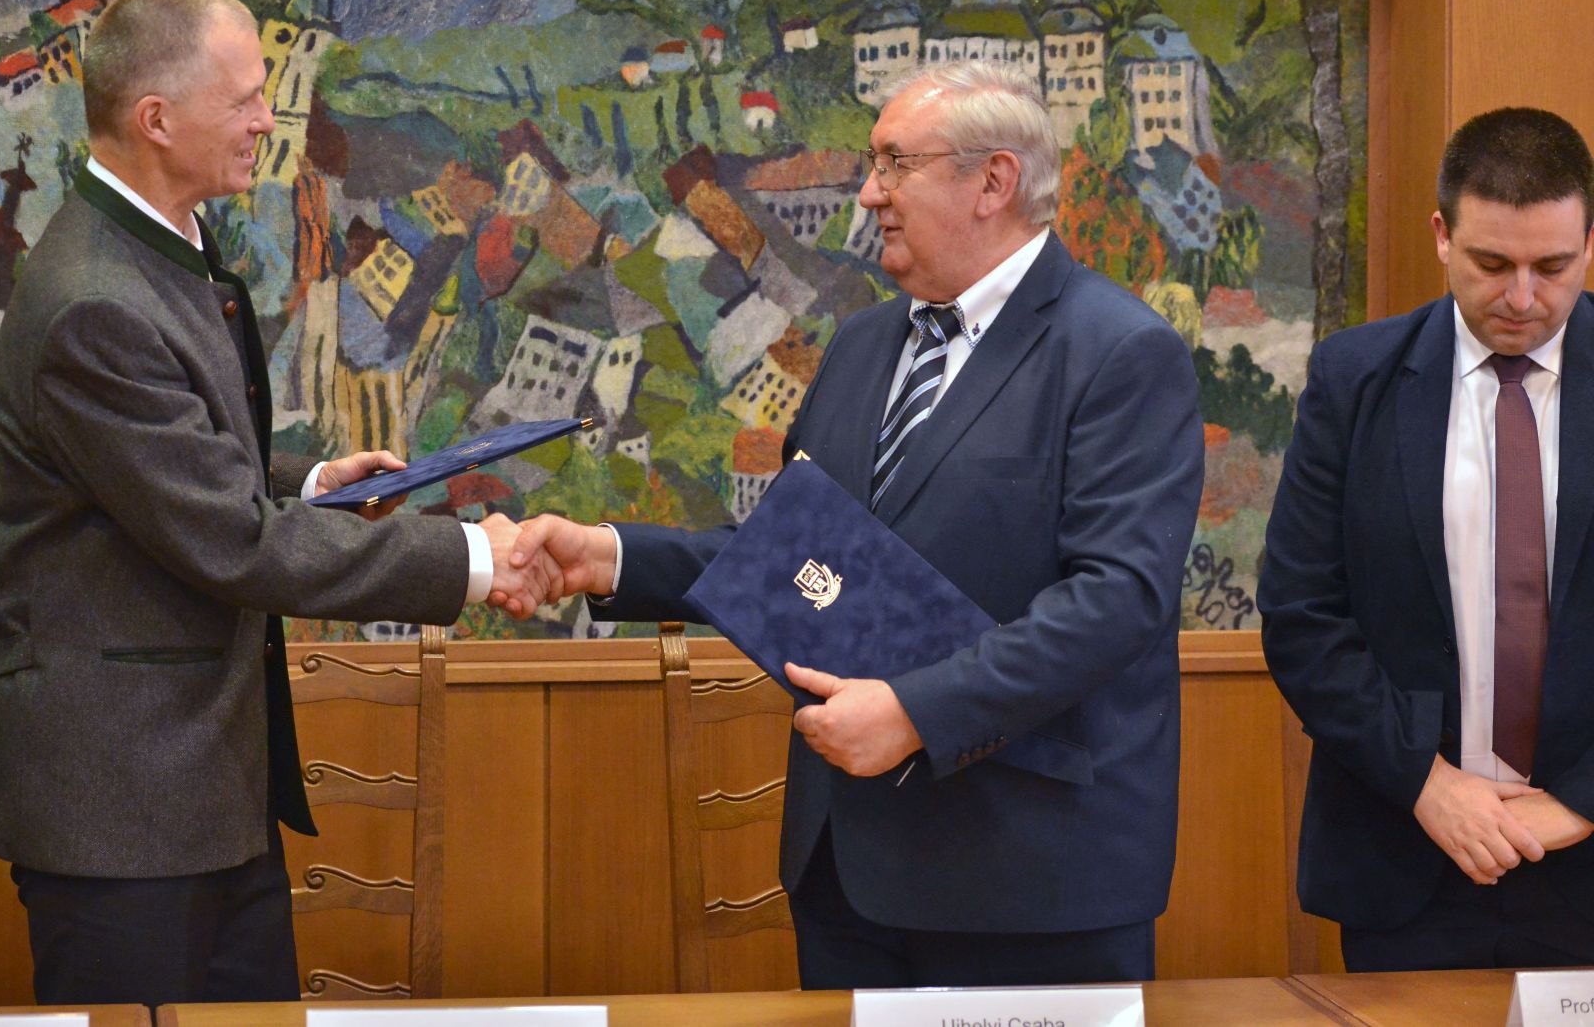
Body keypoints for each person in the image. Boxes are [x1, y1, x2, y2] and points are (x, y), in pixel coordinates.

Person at [513, 61, 1204, 988]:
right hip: (849, 880)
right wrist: (608, 558)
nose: (869, 193)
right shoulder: (863, 344)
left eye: (894, 164)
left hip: (1028, 885)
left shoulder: (1119, 352)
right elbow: (797, 558)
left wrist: (919, 713)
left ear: (993, 181)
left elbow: (1117, 601)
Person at [0, 0, 547, 1006]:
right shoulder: (94, 300)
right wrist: (470, 558)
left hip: (198, 789)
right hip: (123, 810)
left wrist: (310, 481)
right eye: (243, 98)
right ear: (157, 119)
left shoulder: (151, 251)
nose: (267, 121)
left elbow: (173, 459)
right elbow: (230, 539)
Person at [1261, 106, 1594, 971]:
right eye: (1493, 263)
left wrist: (1580, 800)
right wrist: (1427, 782)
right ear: (1442, 236)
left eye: (1553, 266)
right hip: (1407, 857)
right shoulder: (1354, 379)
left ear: (1589, 244)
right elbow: (1302, 614)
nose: (1522, 297)